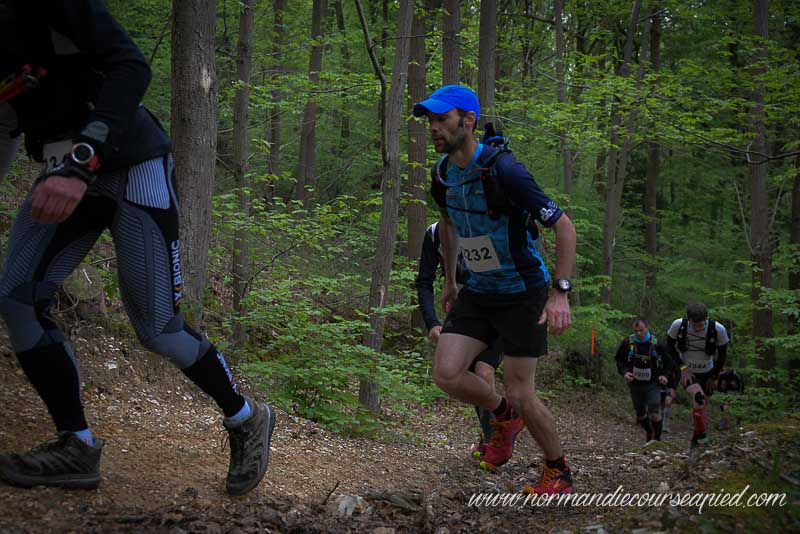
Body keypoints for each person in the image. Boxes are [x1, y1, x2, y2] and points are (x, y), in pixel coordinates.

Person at [0, 0, 274, 495]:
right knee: (16, 298)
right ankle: (76, 445)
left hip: (132, 163)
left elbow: (132, 66)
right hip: (61, 172)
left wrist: (82, 162)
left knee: (158, 328)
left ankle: (246, 416)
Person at [414, 85, 577, 495]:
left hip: (523, 291)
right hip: (479, 290)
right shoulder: (441, 174)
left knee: (521, 391)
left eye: (442, 119)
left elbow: (563, 226)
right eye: (430, 121)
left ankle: (557, 471)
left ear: (468, 121)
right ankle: (504, 415)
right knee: (447, 374)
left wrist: (560, 292)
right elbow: (448, 223)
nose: (433, 128)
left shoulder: (505, 171)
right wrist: (451, 280)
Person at [415, 221, 503, 459]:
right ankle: (492, 433)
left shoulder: (482, 227)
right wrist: (432, 321)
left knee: (484, 370)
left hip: (502, 303)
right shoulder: (434, 234)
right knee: (469, 372)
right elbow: (424, 281)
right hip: (466, 308)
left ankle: (495, 440)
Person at [667, 302, 730, 449]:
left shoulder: (718, 329)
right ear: (688, 319)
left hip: (708, 372)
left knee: (700, 407)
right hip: (686, 371)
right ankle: (703, 440)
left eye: (700, 325)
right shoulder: (678, 325)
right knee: (698, 397)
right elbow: (669, 347)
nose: (697, 328)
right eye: (693, 325)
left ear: (706, 319)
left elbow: (722, 355)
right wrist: (682, 368)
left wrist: (714, 376)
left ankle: (695, 441)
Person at [615, 318, 673, 443]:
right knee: (640, 414)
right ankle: (649, 432)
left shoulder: (657, 344)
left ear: (647, 327)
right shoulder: (628, 342)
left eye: (641, 330)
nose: (638, 333)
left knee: (654, 411)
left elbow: (669, 362)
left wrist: (665, 376)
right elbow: (619, 359)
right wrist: (625, 372)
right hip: (635, 382)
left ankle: (657, 440)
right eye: (635, 331)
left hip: (653, 382)